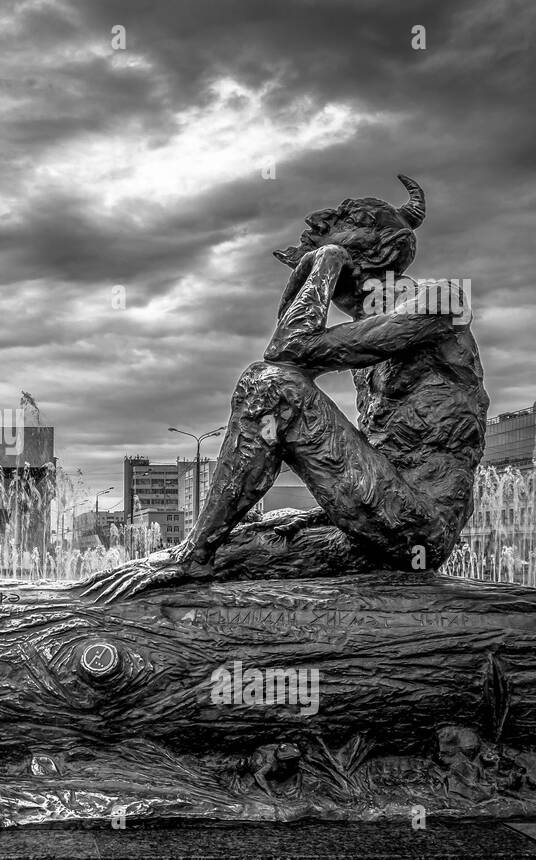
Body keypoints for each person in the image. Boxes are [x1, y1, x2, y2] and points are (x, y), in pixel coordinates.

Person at [84, 176, 488, 602]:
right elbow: (288, 345)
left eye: (342, 223)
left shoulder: (440, 302)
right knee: (237, 549)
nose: (318, 223)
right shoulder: (375, 329)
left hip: (416, 530)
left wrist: (325, 261)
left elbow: (284, 355)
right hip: (378, 520)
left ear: (384, 251)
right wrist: (310, 268)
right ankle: (132, 585)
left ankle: (193, 554)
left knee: (268, 385)